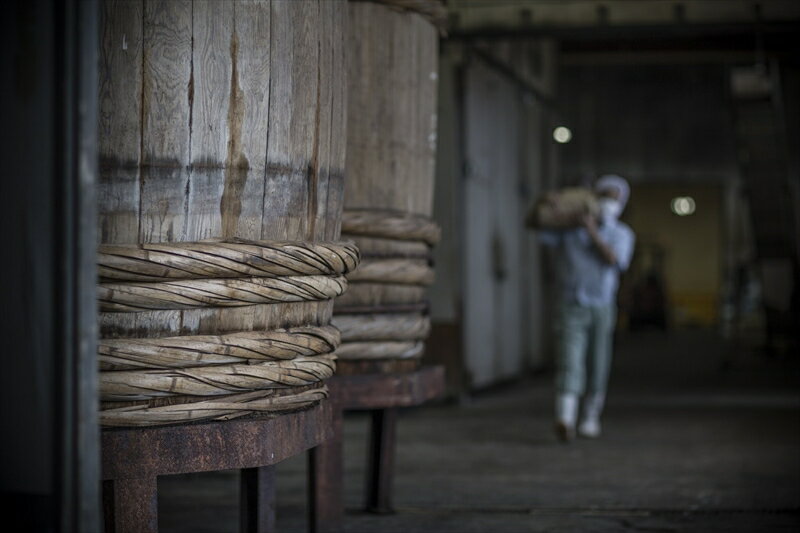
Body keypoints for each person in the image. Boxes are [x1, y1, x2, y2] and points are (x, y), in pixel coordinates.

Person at [537, 175, 635, 441]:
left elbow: (614, 260)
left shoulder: (622, 234)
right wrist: (550, 204)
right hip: (572, 303)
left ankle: (591, 417)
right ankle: (565, 418)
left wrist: (592, 233)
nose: (607, 204)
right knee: (570, 359)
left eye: (614, 199)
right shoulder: (569, 232)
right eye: (603, 197)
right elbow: (537, 225)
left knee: (597, 362)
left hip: (602, 306)